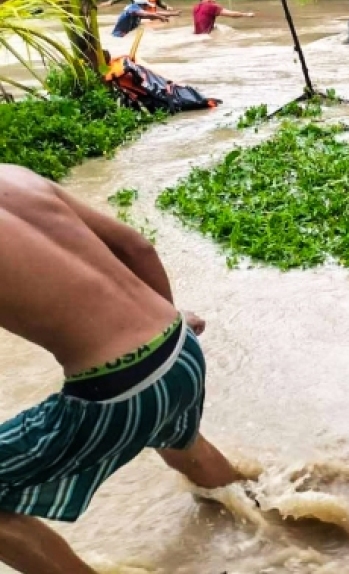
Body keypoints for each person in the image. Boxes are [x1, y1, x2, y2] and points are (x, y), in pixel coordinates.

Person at [0, 164, 244, 574]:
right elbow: (137, 247)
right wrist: (171, 313)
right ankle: (269, 515)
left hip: (118, 392)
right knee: (180, 443)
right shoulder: (14, 176)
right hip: (180, 347)